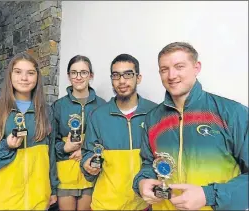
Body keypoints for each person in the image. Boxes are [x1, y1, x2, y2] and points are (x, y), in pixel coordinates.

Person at [133, 42, 248, 210]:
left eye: (179, 66)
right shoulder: (152, 118)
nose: (171, 75)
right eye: (164, 69)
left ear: (196, 67)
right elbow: (149, 163)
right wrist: (142, 181)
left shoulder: (233, 113)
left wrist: (208, 195)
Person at [0, 52, 58, 210]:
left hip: (37, 197)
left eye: (30, 73)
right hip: (2, 198)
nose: (24, 78)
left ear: (37, 77)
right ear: (10, 75)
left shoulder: (46, 112)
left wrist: (53, 188)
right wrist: (5, 146)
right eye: (18, 72)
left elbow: (51, 154)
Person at [80, 54, 158, 210]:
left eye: (128, 74)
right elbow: (88, 153)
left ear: (139, 78)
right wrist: (87, 164)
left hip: (142, 204)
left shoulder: (155, 112)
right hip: (105, 204)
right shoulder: (97, 115)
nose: (122, 81)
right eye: (116, 75)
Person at [51, 55, 106, 211]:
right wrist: (65, 148)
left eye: (83, 72)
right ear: (69, 76)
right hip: (65, 170)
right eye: (74, 73)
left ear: (91, 75)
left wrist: (87, 152)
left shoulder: (103, 105)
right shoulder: (58, 106)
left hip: (91, 170)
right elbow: (51, 142)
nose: (78, 77)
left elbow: (106, 140)